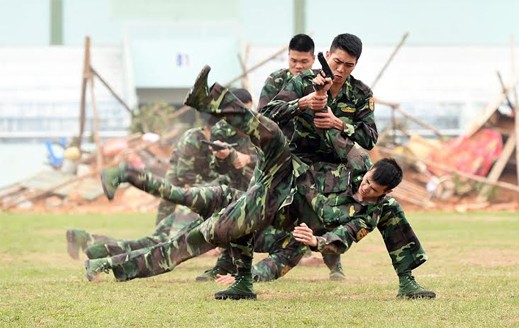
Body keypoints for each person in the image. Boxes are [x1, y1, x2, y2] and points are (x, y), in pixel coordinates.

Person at [88, 66, 435, 301]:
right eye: (367, 184)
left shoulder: (372, 211)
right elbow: (330, 133)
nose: (365, 190)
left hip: (278, 215)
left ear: (383, 193)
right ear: (369, 173)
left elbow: (343, 237)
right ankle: (208, 98)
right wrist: (321, 104)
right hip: (283, 181)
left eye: (373, 193)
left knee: (190, 241)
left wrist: (318, 240)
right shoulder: (358, 162)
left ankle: (110, 265)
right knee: (271, 135)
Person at [201, 33, 346, 283]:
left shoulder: (324, 84)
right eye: (293, 61)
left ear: (313, 59)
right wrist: (300, 104)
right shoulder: (276, 80)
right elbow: (264, 117)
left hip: (307, 165)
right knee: (248, 211)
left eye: (303, 61)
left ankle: (334, 265)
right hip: (272, 161)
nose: (298, 66)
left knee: (317, 215)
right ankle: (225, 266)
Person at [66, 89, 256, 260]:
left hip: (194, 203)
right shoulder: (193, 139)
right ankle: (100, 248)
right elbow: (186, 180)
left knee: (158, 243)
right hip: (180, 203)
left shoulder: (235, 144)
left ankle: (92, 244)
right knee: (162, 246)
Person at [261, 33, 377, 165]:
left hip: (337, 165)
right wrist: (302, 103)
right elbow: (265, 116)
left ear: (355, 64)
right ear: (327, 55)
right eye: (337, 62)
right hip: (297, 161)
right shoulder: (302, 81)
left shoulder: (361, 93)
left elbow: (370, 139)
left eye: (348, 65)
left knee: (364, 164)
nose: (340, 69)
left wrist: (338, 124)